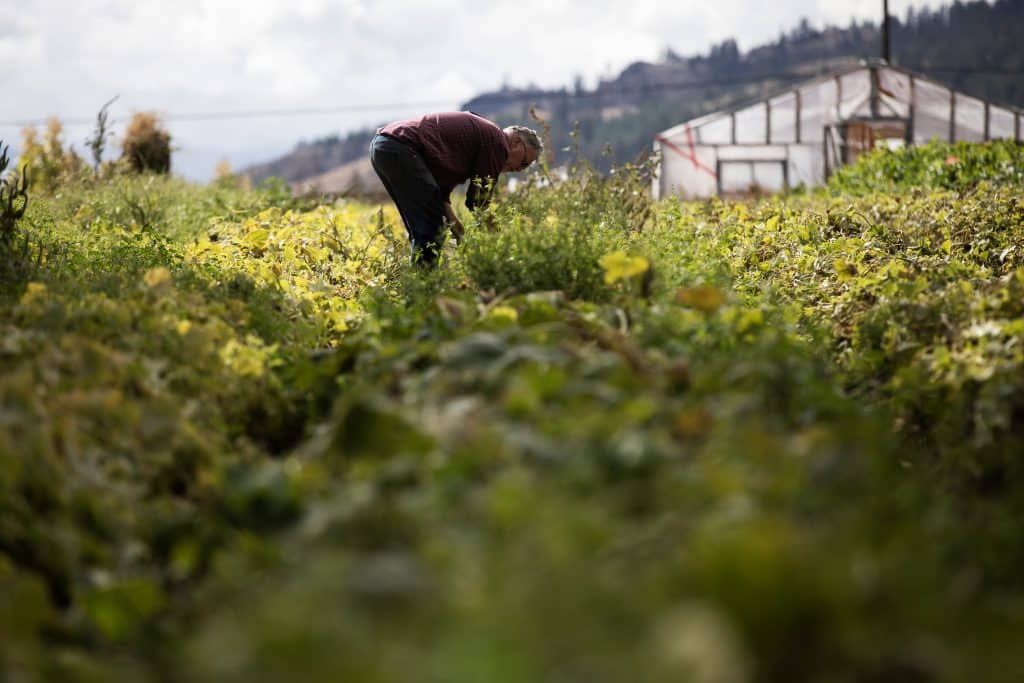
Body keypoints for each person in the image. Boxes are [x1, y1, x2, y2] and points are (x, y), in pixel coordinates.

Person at [369, 111, 542, 266]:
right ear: (517, 142)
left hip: (385, 146)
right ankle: (423, 289)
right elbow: (478, 201)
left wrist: (457, 227)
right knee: (431, 227)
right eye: (525, 162)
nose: (520, 169)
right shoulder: (498, 142)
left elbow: (438, 196)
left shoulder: (478, 143)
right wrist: (500, 240)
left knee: (424, 227)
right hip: (400, 148)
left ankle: (418, 285)